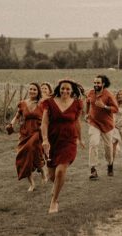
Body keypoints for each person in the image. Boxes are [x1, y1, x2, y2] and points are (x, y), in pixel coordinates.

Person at [41, 79, 85, 213]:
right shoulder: (49, 103)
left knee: (61, 171)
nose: (65, 91)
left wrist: (80, 139)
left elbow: (77, 122)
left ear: (72, 91)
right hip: (53, 141)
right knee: (52, 175)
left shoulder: (77, 104)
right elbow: (44, 123)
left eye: (68, 89)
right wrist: (44, 140)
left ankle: (54, 201)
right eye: (62, 88)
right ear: (58, 89)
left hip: (69, 141)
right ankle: (56, 187)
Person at [7, 82, 46, 192]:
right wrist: (11, 124)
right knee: (24, 156)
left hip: (37, 132)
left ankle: (43, 173)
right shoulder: (23, 103)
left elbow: (47, 119)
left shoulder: (42, 104)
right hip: (25, 133)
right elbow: (17, 116)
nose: (32, 91)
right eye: (31, 89)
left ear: (38, 91)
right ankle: (32, 183)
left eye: (34, 89)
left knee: (32, 153)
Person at [86, 74, 119, 180]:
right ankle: (93, 169)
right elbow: (88, 102)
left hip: (107, 125)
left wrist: (104, 106)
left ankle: (110, 164)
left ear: (103, 84)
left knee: (108, 147)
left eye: (98, 83)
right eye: (95, 82)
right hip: (94, 122)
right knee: (93, 143)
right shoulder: (91, 93)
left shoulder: (108, 95)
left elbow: (116, 109)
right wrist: (87, 113)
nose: (96, 84)